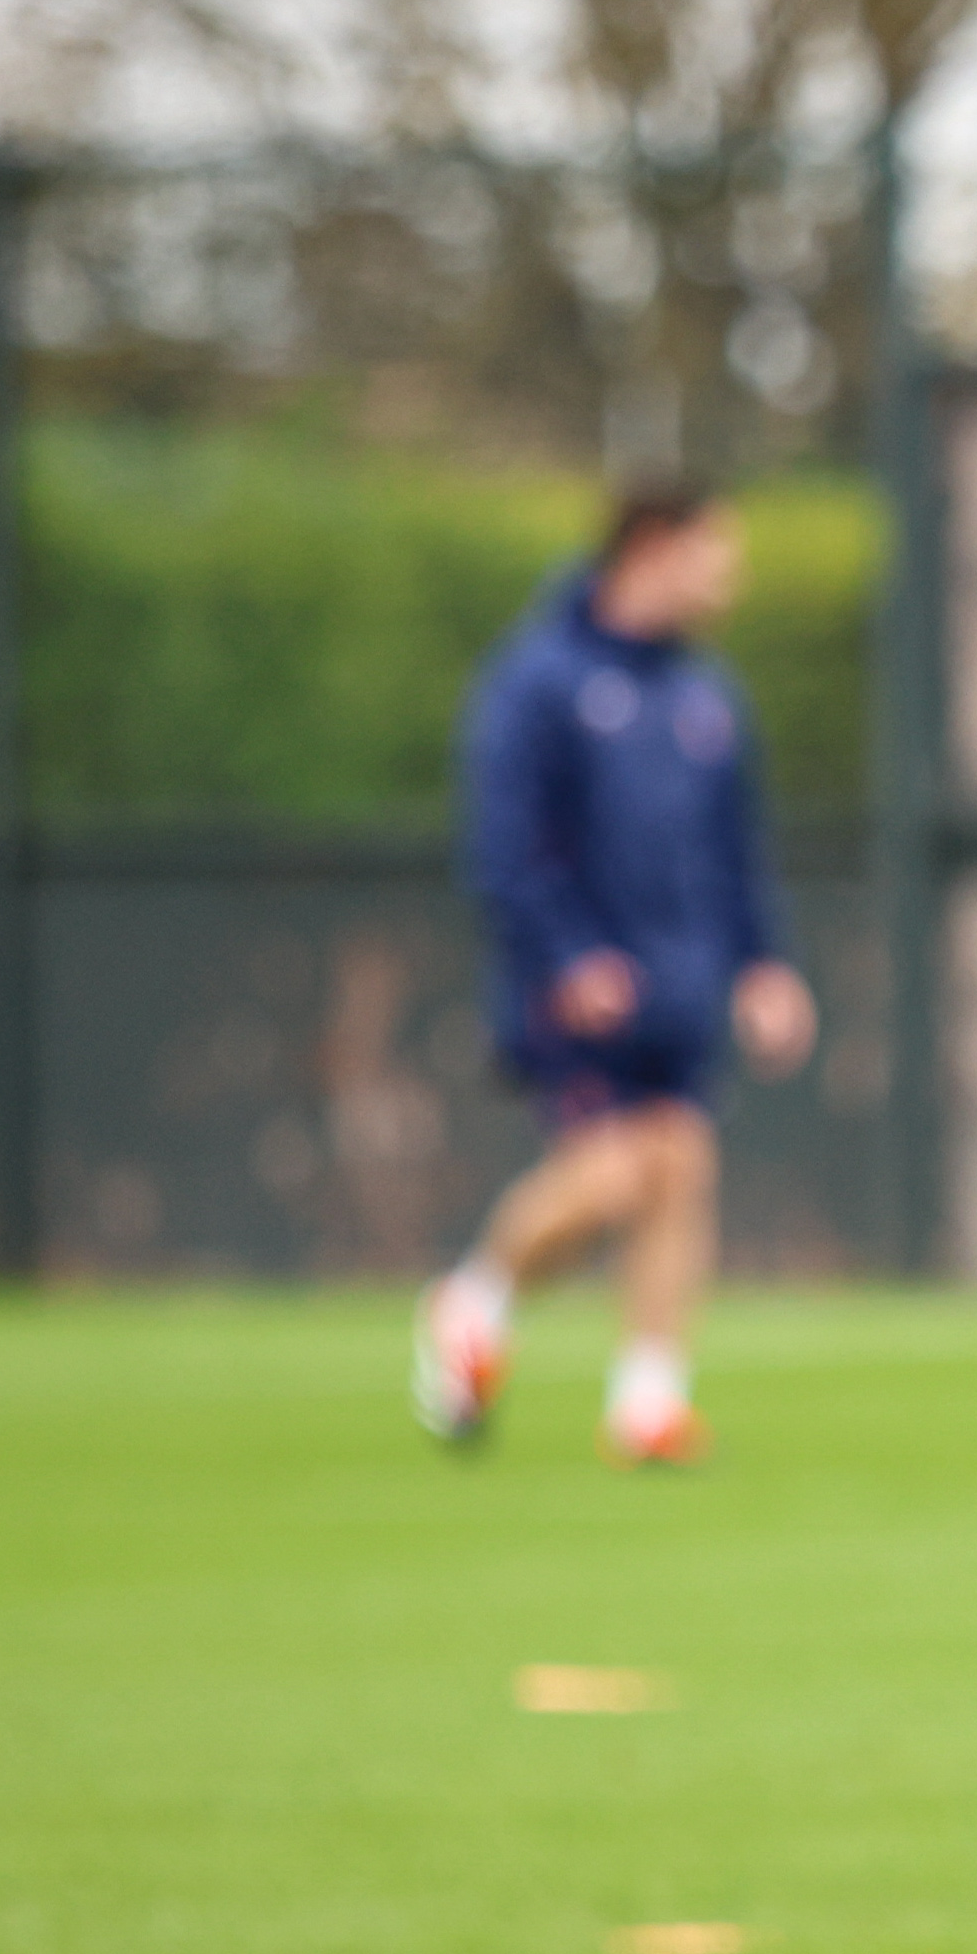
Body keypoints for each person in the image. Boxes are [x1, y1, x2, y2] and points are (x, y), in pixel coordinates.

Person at [413, 481, 820, 1467]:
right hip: (577, 988)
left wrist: (762, 965)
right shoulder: (539, 681)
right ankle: (472, 1301)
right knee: (613, 1174)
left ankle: (648, 1400)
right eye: (713, 553)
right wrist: (564, 956)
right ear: (650, 547)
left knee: (681, 1165)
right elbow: (505, 845)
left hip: (681, 980)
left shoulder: (706, 696)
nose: (729, 576)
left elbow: (735, 852)